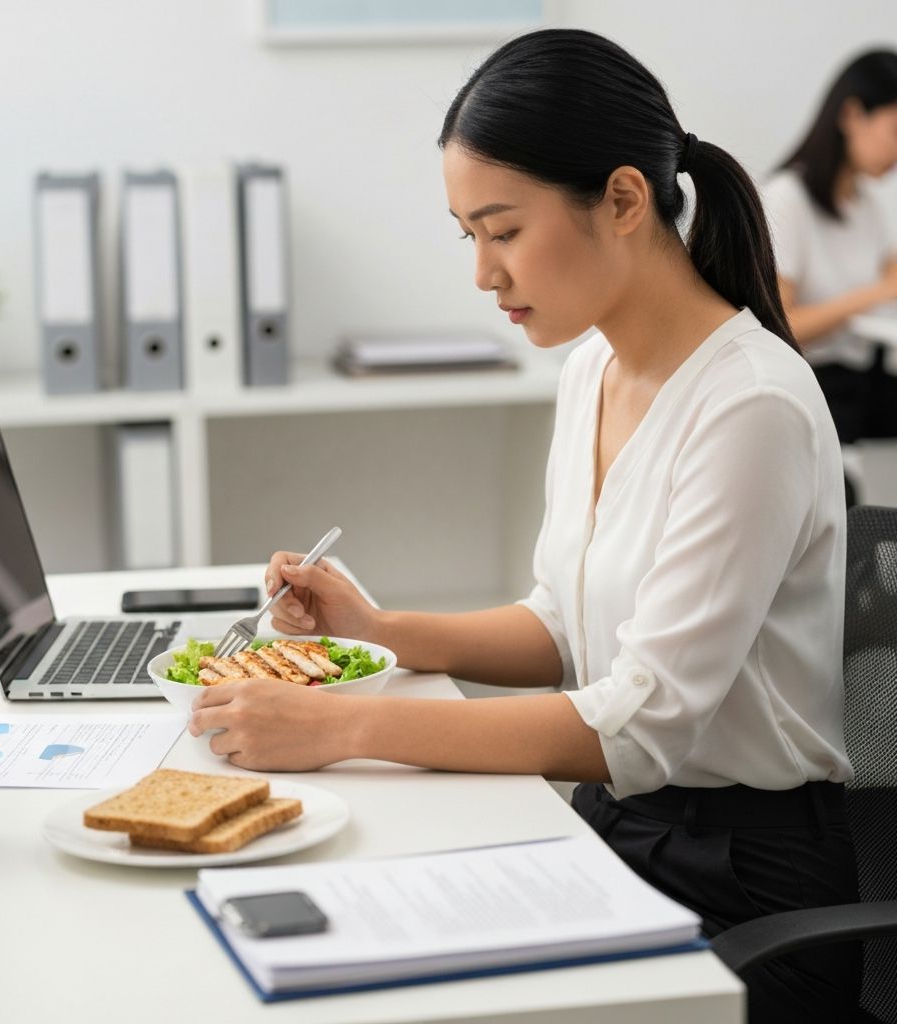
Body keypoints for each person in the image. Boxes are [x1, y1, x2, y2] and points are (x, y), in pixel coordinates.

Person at [189, 29, 859, 1021]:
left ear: (624, 200)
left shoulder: (750, 405)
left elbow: (640, 722)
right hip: (618, 831)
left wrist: (342, 724)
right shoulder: (591, 368)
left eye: (502, 229)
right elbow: (561, 625)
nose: (483, 273)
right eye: (469, 235)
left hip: (743, 882)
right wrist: (375, 628)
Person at [762, 50, 897, 505]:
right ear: (852, 114)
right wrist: (872, 295)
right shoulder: (787, 199)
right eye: (896, 130)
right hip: (810, 387)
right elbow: (781, 326)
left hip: (862, 383)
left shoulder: (867, 206)